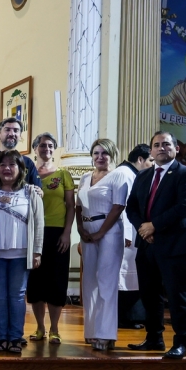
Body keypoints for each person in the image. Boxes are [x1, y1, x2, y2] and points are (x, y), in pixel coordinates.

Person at [127, 131, 186, 360]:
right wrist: (143, 228)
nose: (161, 148)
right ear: (151, 150)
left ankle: (181, 343)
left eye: (166, 144)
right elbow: (131, 207)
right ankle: (154, 338)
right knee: (149, 295)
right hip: (147, 244)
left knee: (177, 296)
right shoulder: (143, 175)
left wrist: (154, 226)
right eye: (156, 145)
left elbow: (185, 206)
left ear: (176, 148)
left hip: (175, 244)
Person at [76, 139, 129, 351]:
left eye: (104, 153)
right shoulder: (85, 177)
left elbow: (118, 207)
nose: (100, 157)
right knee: (89, 282)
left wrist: (100, 232)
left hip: (109, 230)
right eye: (96, 153)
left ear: (112, 155)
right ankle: (91, 330)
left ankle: (106, 334)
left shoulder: (118, 175)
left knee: (106, 282)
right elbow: (78, 207)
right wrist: (80, 229)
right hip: (87, 231)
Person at [0, 150, 44, 353]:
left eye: (12, 165)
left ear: (21, 169)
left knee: (17, 296)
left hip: (21, 254)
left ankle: (15, 337)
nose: (7, 168)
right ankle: (0, 336)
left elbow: (39, 224)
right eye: (2, 165)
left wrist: (37, 251)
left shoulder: (31, 192)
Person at [26, 133, 75, 345]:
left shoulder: (63, 174)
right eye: (42, 145)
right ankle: (40, 327)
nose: (46, 149)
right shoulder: (27, 173)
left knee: (56, 281)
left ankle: (55, 328)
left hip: (57, 233)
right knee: (35, 282)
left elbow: (71, 206)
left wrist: (67, 232)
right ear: (35, 148)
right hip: (32, 232)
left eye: (50, 145)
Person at [116, 144, 153, 329]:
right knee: (126, 276)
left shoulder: (133, 174)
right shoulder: (124, 174)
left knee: (132, 276)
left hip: (134, 233)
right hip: (127, 235)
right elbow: (121, 206)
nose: (153, 165)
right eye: (151, 160)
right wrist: (127, 234)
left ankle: (132, 317)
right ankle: (127, 317)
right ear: (140, 159)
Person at [0, 117, 42, 187]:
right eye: (7, 130)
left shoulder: (28, 163)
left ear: (20, 136)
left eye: (16, 130)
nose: (11, 134)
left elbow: (37, 189)